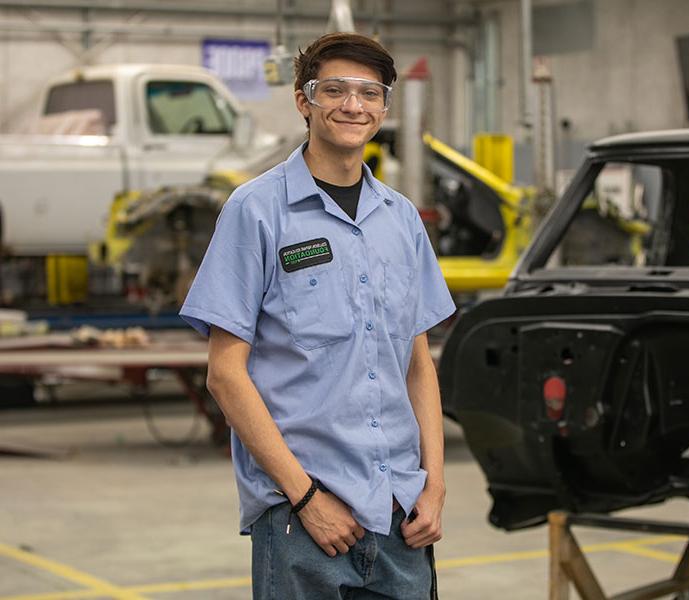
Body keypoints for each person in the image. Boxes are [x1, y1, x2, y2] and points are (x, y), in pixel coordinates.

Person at [179, 32, 455, 599]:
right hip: (302, 521)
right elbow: (226, 374)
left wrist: (435, 486)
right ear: (304, 101)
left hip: (403, 513)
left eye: (369, 93)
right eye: (335, 90)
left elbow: (417, 365)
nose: (353, 105)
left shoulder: (401, 219)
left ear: (383, 107)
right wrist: (306, 498)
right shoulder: (255, 211)